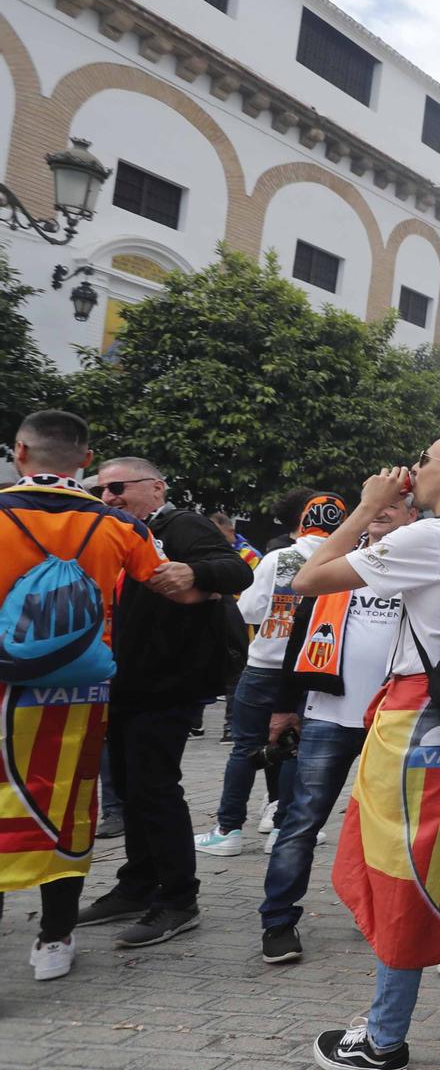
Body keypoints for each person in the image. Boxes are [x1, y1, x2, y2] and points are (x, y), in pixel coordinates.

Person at [290, 428, 440, 1070]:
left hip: (418, 725)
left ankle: (385, 1037)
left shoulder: (432, 537)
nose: (413, 469)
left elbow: (310, 577)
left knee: (401, 870)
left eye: (426, 459)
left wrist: (363, 507)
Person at [0, 413, 169, 981]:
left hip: (4, 690)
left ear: (20, 452)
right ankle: (55, 939)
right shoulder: (120, 526)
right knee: (69, 804)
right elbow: (166, 581)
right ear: (86, 460)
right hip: (80, 689)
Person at [74, 456, 254, 951]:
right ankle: (136, 885)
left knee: (153, 788)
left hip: (167, 684)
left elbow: (236, 570)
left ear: (156, 488)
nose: (107, 497)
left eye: (117, 487)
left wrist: (192, 572)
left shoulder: (180, 524)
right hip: (121, 683)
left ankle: (177, 899)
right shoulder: (107, 532)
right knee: (131, 788)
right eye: (100, 490)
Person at [258, 492, 418, 965]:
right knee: (301, 821)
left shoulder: (420, 567)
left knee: (388, 826)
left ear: (415, 514)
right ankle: (277, 922)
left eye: (400, 503)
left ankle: (379, 915)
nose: (387, 509)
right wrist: (284, 708)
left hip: (393, 720)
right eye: (379, 502)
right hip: (328, 715)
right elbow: (298, 639)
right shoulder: (338, 567)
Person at [197, 493, 347, 857]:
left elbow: (248, 610)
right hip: (312, 669)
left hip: (264, 666)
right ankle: (282, 828)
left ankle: (228, 829)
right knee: (293, 750)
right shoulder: (345, 564)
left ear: (301, 522)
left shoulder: (279, 558)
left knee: (245, 748)